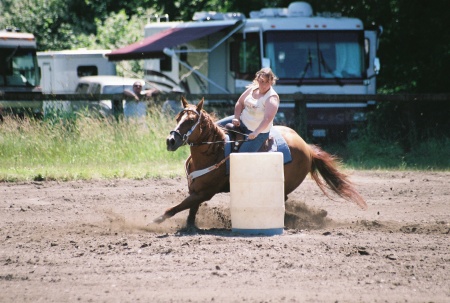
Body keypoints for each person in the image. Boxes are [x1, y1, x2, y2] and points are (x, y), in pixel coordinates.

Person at [219, 67, 280, 153]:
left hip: (259, 132)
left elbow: (267, 119)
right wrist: (236, 117)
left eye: (267, 82)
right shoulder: (253, 89)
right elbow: (240, 103)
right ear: (258, 79)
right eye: (262, 81)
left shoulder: (271, 98)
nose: (264, 85)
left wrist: (256, 132)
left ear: (271, 82)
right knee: (213, 126)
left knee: (241, 157)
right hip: (242, 121)